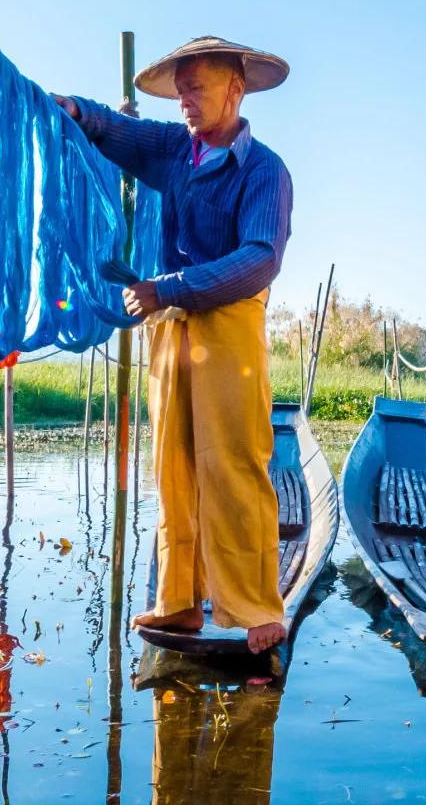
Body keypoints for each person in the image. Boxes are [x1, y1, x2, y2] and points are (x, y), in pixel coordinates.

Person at [54, 36, 294, 653]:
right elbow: (110, 131)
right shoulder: (171, 151)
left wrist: (174, 286)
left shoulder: (264, 169)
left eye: (198, 87)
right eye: (181, 89)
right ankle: (180, 603)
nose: (186, 100)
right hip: (170, 323)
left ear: (234, 89)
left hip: (229, 318)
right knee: (174, 461)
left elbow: (259, 259)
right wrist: (76, 110)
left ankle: (257, 607)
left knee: (234, 461)